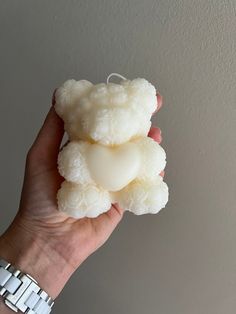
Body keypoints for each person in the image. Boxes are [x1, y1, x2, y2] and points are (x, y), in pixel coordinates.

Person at [0, 90, 164, 313]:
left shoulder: (140, 148)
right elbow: (71, 163)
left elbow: (151, 159)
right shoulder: (81, 151)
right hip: (86, 189)